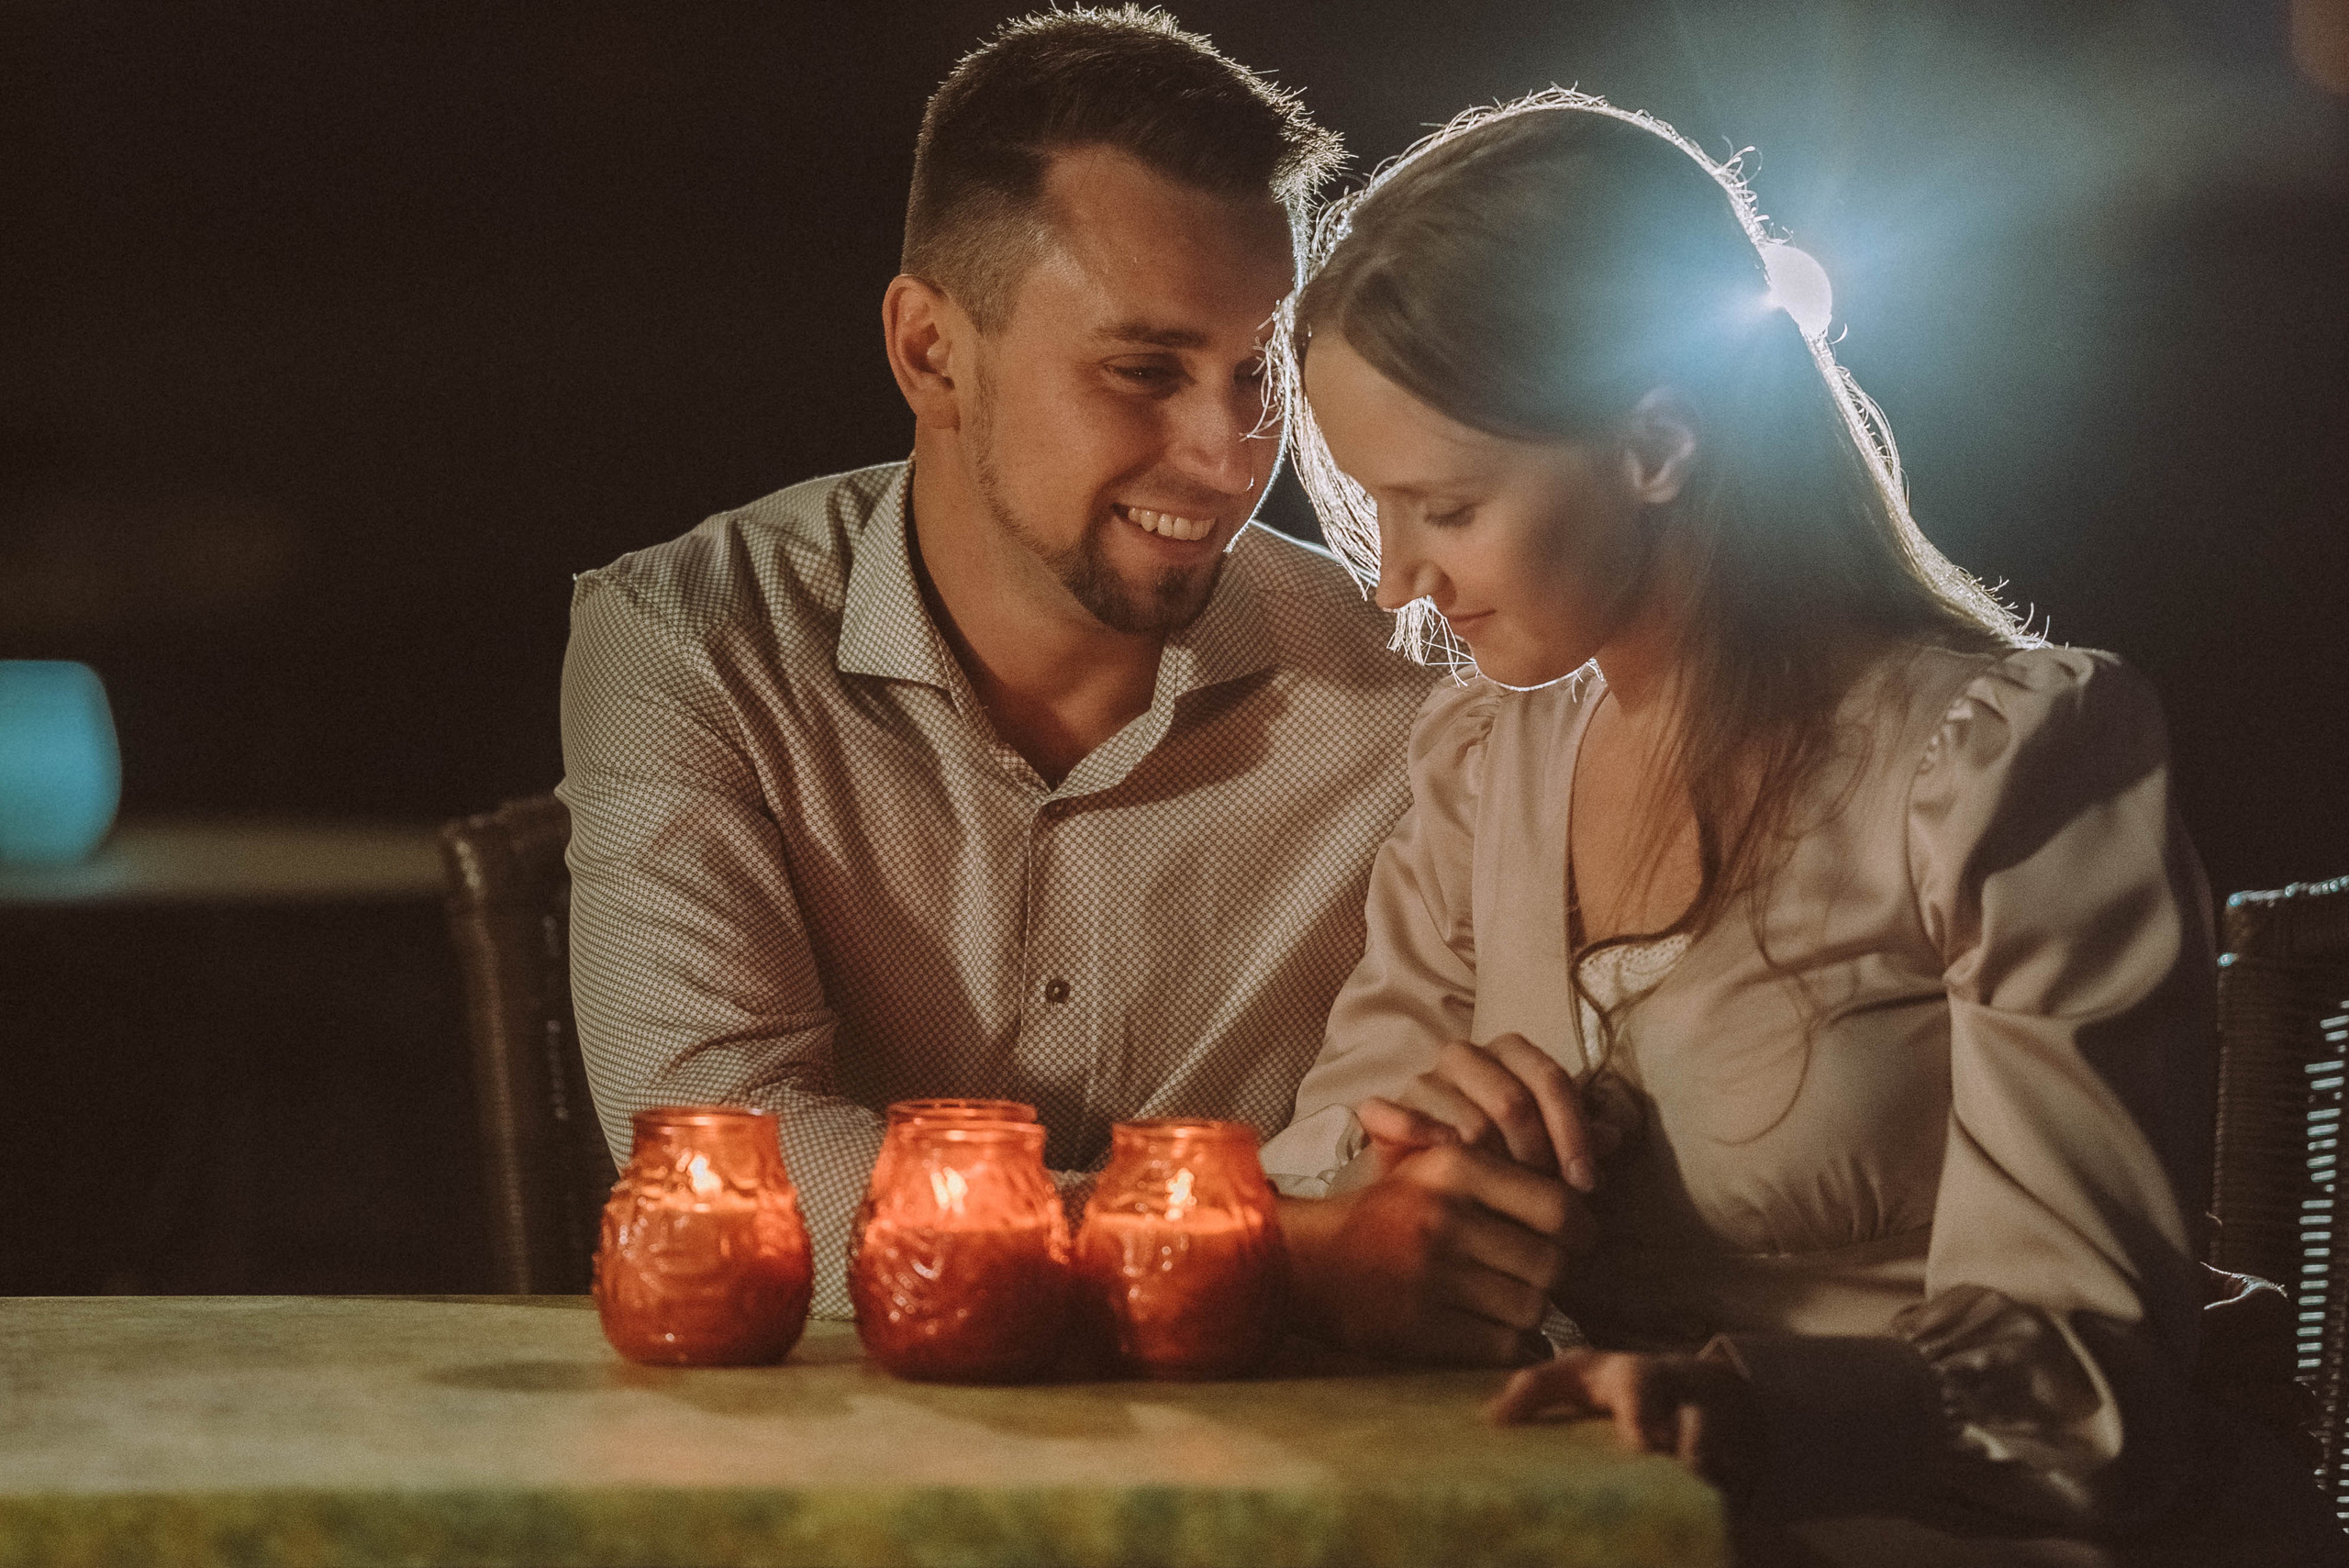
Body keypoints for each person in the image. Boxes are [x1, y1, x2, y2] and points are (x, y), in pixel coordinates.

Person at [1261, 91, 2340, 1561]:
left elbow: (2095, 1380)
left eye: (1443, 507)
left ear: (1654, 444)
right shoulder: (1481, 766)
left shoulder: (2004, 764)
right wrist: (1416, 1174)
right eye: (1375, 509)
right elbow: (1324, 1156)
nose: (1395, 583)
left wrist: (1763, 1412)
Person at [556, 7, 1496, 1322]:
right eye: (1142, 369)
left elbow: (1429, 1165)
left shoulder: (1416, 692)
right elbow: (733, 1161)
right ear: (931, 351)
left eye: (1257, 374)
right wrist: (1271, 1251)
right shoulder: (694, 639)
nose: (1229, 453)